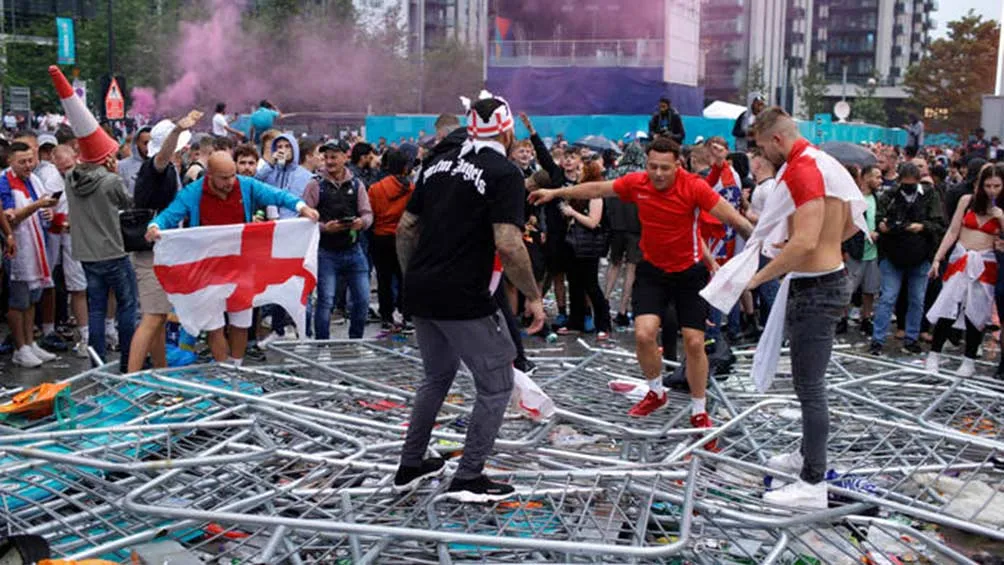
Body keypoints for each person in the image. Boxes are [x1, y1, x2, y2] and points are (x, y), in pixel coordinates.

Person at [531, 137, 753, 441]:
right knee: (644, 334)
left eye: (665, 168)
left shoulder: (693, 187)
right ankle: (656, 392)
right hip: (653, 271)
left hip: (689, 273)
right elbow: (597, 189)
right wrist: (556, 192)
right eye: (653, 167)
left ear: (678, 165)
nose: (658, 174)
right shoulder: (638, 182)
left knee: (694, 343)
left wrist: (763, 244)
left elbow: (734, 219)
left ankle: (699, 410)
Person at [392, 94, 546, 501]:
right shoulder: (505, 172)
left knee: (436, 377)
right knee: (496, 385)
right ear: (507, 131)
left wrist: (414, 279)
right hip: (463, 294)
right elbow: (509, 244)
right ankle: (469, 476)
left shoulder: (436, 164)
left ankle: (410, 465)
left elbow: (405, 229)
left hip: (422, 290)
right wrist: (533, 296)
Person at [730, 106, 865, 508]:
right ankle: (808, 457)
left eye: (760, 148)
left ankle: (812, 482)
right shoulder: (822, 163)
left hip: (817, 287)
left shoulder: (803, 169)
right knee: (809, 385)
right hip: (824, 280)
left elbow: (804, 242)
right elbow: (851, 222)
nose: (760, 156)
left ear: (776, 140)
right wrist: (823, 245)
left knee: (810, 387)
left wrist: (756, 279)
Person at [146, 151, 319, 364]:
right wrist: (155, 226)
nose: (230, 182)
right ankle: (224, 368)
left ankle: (236, 366)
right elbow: (170, 214)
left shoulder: (245, 185)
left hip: (241, 266)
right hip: (208, 269)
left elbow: (278, 195)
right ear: (210, 175)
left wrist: (302, 207)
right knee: (214, 326)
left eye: (232, 175)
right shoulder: (193, 192)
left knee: (241, 321)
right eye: (224, 178)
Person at [128, 113, 198, 373]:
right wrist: (177, 131)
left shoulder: (166, 170)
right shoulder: (155, 168)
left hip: (160, 249)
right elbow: (161, 157)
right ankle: (131, 377)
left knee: (158, 316)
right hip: (152, 251)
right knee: (153, 317)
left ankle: (160, 368)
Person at [925, 164, 1004, 377]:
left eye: (997, 186)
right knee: (949, 304)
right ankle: (934, 355)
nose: (992, 190)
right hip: (961, 257)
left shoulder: (1000, 210)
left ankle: (969, 360)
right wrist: (938, 258)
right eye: (988, 185)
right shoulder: (967, 200)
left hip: (986, 262)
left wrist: (1001, 217)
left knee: (977, 311)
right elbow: (952, 231)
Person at [869, 162, 944, 356]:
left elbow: (939, 225)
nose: (908, 188)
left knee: (917, 299)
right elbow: (879, 220)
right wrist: (883, 226)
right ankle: (877, 340)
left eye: (911, 184)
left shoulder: (930, 195)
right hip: (892, 254)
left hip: (920, 255)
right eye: (905, 184)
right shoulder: (890, 195)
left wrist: (922, 227)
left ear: (918, 181)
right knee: (888, 298)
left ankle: (912, 338)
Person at [303, 140, 372, 340]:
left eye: (334, 157)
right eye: (326, 157)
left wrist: (361, 223)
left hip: (354, 250)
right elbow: (304, 219)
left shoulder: (357, 184)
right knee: (326, 302)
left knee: (363, 300)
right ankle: (322, 344)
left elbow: (368, 213)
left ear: (345, 157)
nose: (329, 162)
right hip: (326, 252)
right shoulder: (315, 185)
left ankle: (355, 341)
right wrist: (325, 228)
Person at [0, 142, 53, 368]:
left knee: (32, 298)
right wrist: (38, 205)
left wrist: (47, 211)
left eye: (31, 160)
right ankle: (20, 347)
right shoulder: (4, 182)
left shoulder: (34, 180)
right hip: (19, 248)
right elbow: (10, 218)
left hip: (37, 246)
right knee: (18, 301)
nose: (28, 165)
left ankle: (30, 343)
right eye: (22, 162)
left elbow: (42, 204)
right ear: (10, 161)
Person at [560, 160, 612, 339]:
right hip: (573, 244)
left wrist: (573, 213)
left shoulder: (595, 196)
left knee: (591, 285)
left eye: (581, 170)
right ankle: (575, 321)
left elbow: (593, 222)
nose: (578, 172)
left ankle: (603, 323)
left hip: (588, 246)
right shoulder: (579, 193)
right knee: (574, 284)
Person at [367, 148, 414, 331]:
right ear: (405, 167)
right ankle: (406, 315)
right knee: (404, 278)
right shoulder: (411, 189)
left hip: (380, 237)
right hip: (403, 237)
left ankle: (386, 316)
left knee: (384, 279)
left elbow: (371, 215)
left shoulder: (375, 189)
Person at [604, 143, 645, 329]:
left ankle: (604, 302)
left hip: (616, 226)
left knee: (614, 263)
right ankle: (622, 310)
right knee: (631, 269)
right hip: (637, 228)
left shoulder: (613, 173)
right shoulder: (644, 177)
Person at [841, 164, 882, 336]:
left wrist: (879, 232)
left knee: (870, 289)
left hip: (873, 252)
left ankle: (866, 318)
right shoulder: (852, 199)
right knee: (847, 288)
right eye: (876, 177)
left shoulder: (878, 199)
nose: (880, 181)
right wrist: (844, 249)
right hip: (854, 251)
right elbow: (843, 225)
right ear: (865, 177)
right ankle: (842, 319)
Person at [117, 125, 151, 197]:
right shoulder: (122, 166)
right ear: (137, 143)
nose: (148, 147)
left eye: (151, 143)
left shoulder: (163, 165)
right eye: (145, 143)